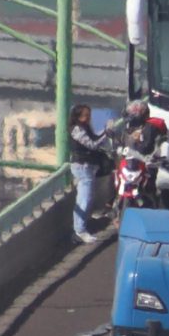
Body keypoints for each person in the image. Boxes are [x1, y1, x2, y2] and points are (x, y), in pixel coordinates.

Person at [67, 103, 108, 243]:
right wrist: (106, 134)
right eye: (86, 115)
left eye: (89, 115)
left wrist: (103, 134)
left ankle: (80, 228)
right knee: (84, 199)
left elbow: (95, 140)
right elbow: (92, 144)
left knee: (87, 198)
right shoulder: (77, 129)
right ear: (78, 116)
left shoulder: (85, 128)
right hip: (82, 166)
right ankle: (80, 230)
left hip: (88, 166)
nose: (88, 117)